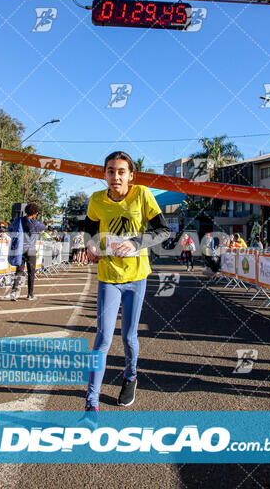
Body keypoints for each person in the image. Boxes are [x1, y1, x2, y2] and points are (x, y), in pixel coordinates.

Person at [83, 151, 170, 413]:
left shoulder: (142, 194)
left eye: (121, 171)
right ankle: (91, 402)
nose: (116, 176)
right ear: (104, 174)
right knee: (103, 338)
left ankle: (130, 376)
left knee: (129, 337)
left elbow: (163, 230)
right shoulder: (96, 200)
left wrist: (135, 243)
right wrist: (89, 244)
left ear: (131, 175)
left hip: (136, 277)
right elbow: (90, 230)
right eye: (111, 171)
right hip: (109, 277)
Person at [10, 202, 46, 301]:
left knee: (19, 270)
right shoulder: (34, 223)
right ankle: (30, 294)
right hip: (31, 249)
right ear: (35, 213)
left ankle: (14, 291)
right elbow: (43, 227)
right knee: (31, 272)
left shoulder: (18, 220)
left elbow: (10, 227)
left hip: (19, 248)